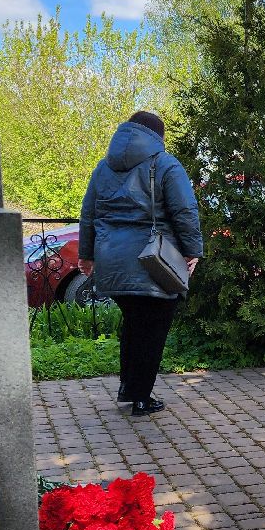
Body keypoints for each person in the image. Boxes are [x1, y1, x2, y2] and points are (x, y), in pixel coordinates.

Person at [79, 110, 202, 417]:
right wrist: (192, 250)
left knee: (135, 326)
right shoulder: (165, 164)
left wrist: (86, 254)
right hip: (152, 260)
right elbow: (184, 211)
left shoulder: (103, 168)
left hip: (112, 259)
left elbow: (88, 213)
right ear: (157, 136)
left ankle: (128, 389)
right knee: (152, 330)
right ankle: (141, 398)